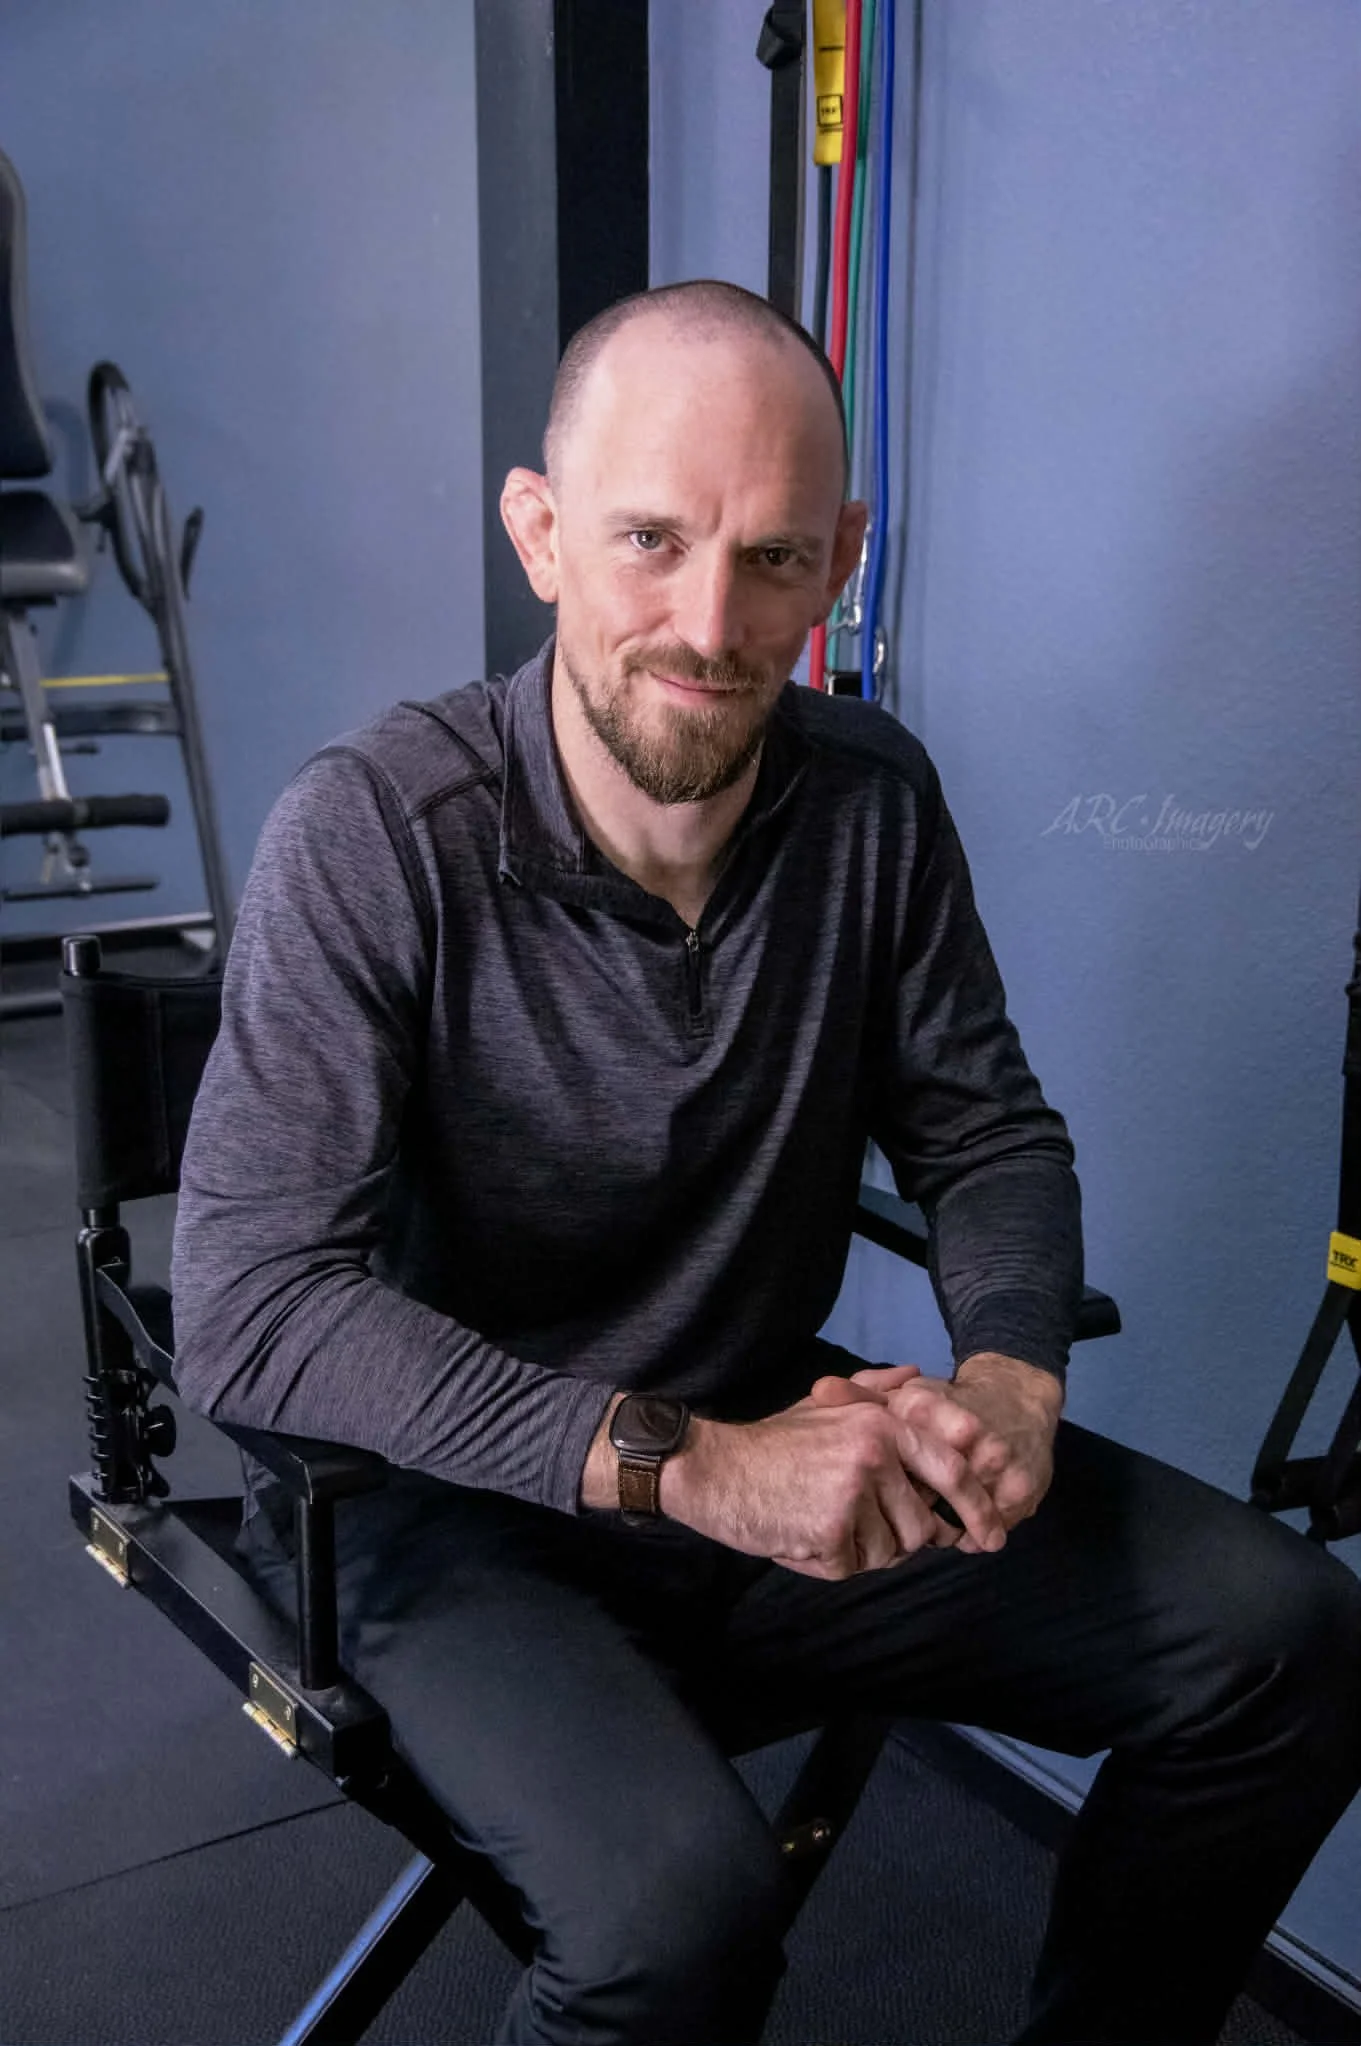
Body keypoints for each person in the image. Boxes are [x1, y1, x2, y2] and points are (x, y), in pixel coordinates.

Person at [172, 278, 1361, 2046]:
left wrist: (1012, 1384)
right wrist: (707, 1470)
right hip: (437, 1521)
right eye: (650, 540)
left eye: (777, 559)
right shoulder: (374, 832)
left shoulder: (874, 803)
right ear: (542, 531)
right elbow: (255, 1313)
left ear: (842, 557)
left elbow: (989, 1128)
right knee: (680, 1926)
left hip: (758, 1448)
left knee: (1294, 1640)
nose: (712, 625)